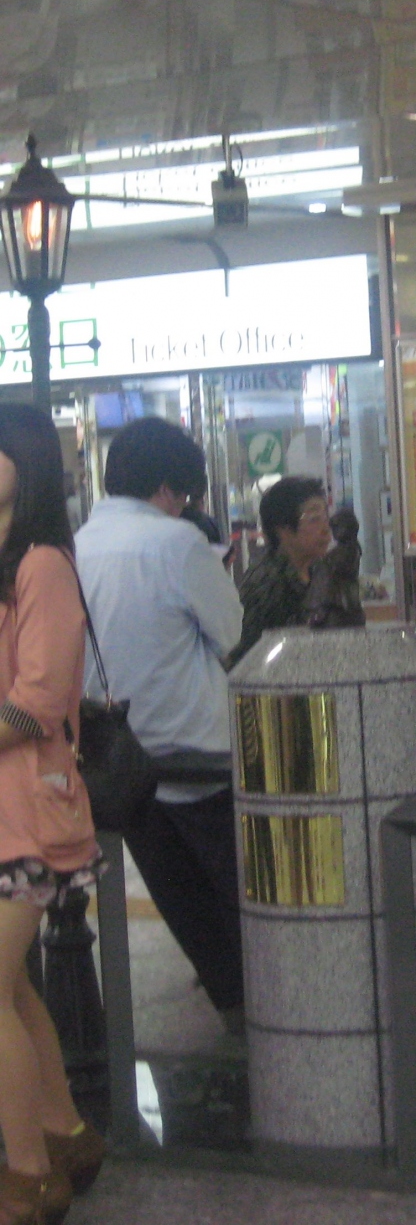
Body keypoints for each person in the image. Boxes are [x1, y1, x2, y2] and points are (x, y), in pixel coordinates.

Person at [74, 417, 245, 1030]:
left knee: (181, 901)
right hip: (199, 755)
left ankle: (230, 1005)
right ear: (169, 488)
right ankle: (268, 1012)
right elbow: (230, 631)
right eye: (185, 494)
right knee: (240, 895)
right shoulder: (177, 543)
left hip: (124, 763)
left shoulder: (76, 546)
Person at [0, 404, 105, 1225]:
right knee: (13, 989)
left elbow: (36, 702)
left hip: (31, 813)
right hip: (9, 812)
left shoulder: (41, 563)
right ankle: (64, 1135)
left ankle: (30, 1178)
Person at [228, 475, 331, 667]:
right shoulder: (265, 584)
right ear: (283, 529)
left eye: (326, 517)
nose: (326, 529)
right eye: (314, 519)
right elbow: (243, 659)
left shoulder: (320, 570)